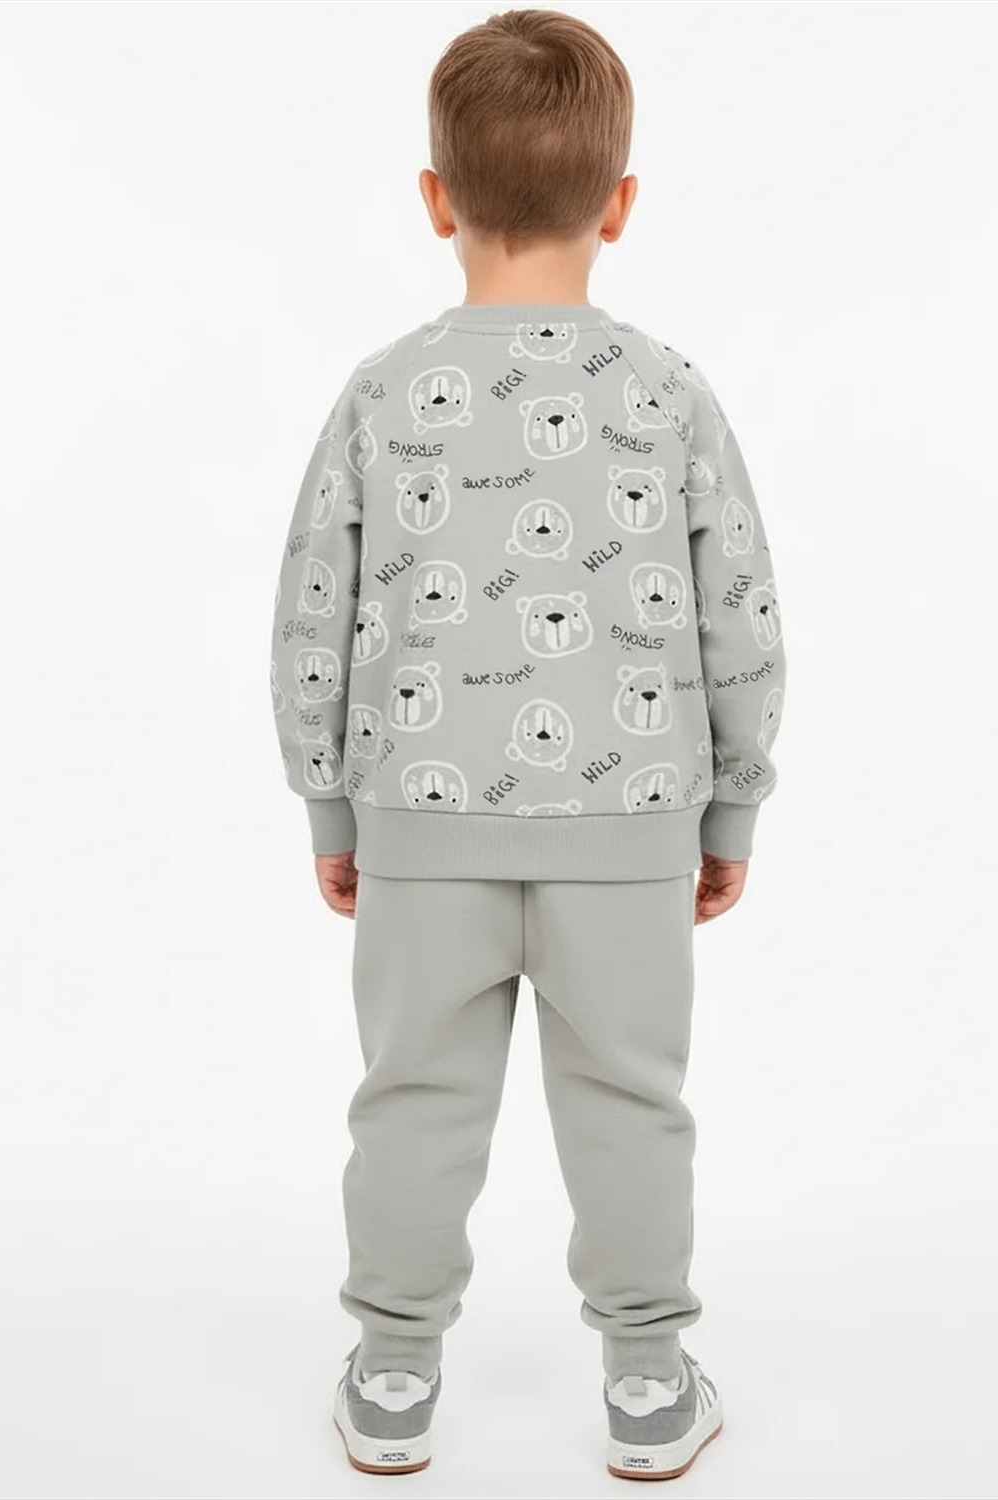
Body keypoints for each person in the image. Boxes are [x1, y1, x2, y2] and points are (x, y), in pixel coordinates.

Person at [270, 8, 784, 1481]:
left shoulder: (381, 393)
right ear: (619, 204)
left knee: (411, 1102)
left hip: (418, 827)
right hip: (632, 828)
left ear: (436, 199)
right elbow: (741, 614)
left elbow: (312, 609)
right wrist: (731, 810)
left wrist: (331, 808)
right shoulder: (671, 393)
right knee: (631, 1104)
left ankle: (391, 1371)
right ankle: (647, 1380)